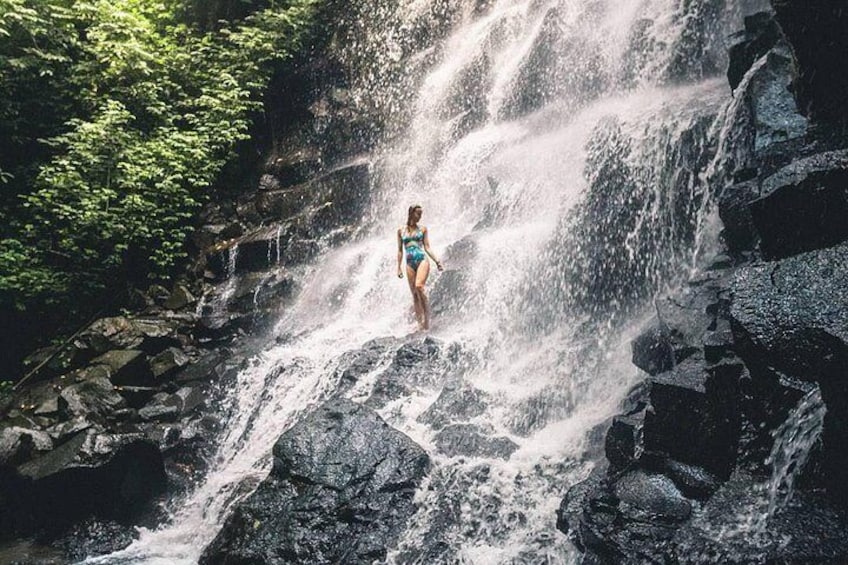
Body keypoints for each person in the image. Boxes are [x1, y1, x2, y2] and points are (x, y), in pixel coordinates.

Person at [397, 204, 443, 330]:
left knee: (419, 287)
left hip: (422, 259)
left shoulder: (423, 229)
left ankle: (427, 321)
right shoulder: (401, 230)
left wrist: (437, 261)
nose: (420, 217)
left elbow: (427, 247)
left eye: (421, 214)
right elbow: (400, 250)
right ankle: (419, 324)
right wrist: (398, 267)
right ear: (411, 213)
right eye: (418, 214)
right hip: (409, 262)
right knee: (414, 295)